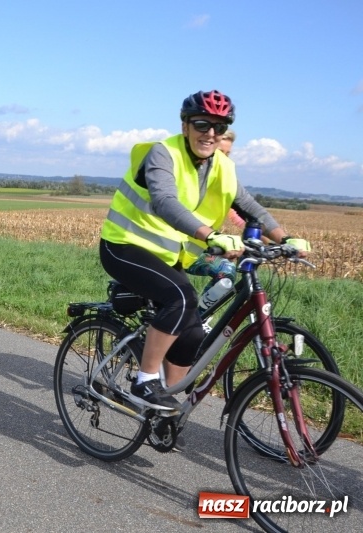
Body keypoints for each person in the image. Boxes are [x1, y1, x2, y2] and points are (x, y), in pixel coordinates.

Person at [99, 90, 311, 411]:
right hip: (124, 246)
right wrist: (210, 235)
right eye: (201, 124)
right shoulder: (162, 154)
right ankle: (145, 381)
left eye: (219, 127)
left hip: (166, 255)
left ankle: (165, 405)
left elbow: (250, 207)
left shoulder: (221, 166)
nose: (210, 133)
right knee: (181, 298)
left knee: (192, 334)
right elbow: (164, 201)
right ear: (185, 126)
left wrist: (286, 239)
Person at [185, 128, 242, 300]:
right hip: (178, 247)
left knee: (227, 273)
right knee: (226, 270)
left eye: (228, 153)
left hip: (198, 246)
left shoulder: (221, 180)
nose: (224, 158)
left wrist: (268, 242)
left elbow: (239, 215)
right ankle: (196, 322)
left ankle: (197, 320)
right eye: (220, 152)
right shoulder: (196, 177)